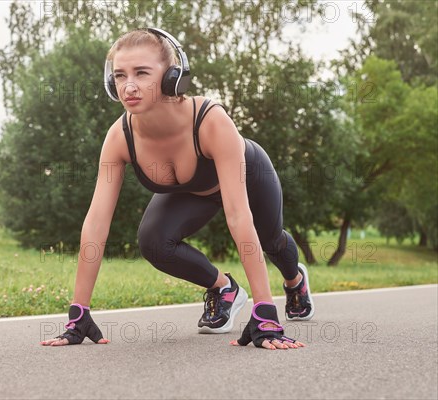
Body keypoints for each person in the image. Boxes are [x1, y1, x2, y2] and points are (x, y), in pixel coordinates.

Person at [40, 27, 314, 350]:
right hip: (190, 191)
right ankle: (225, 289)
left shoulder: (211, 122)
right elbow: (96, 222)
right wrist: (78, 311)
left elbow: (238, 216)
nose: (129, 86)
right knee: (153, 241)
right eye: (119, 75)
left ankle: (295, 281)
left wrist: (265, 312)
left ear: (173, 76)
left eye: (142, 73)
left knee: (271, 239)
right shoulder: (119, 138)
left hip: (250, 175)